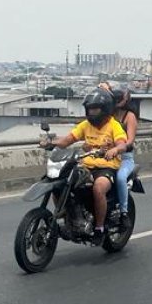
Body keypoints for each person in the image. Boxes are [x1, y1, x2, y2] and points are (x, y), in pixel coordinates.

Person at [43, 88, 127, 240]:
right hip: (86, 165)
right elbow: (68, 140)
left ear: (105, 109)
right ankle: (68, 214)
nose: (92, 113)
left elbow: (122, 144)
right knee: (60, 182)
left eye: (95, 109)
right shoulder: (85, 125)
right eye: (90, 109)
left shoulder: (114, 125)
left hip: (106, 167)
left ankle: (99, 228)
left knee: (99, 188)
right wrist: (50, 143)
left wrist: (115, 150)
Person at [98, 81, 138, 224]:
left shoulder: (129, 116)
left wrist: (119, 148)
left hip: (124, 158)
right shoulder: (107, 115)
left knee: (121, 178)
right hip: (105, 155)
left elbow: (130, 141)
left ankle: (124, 212)